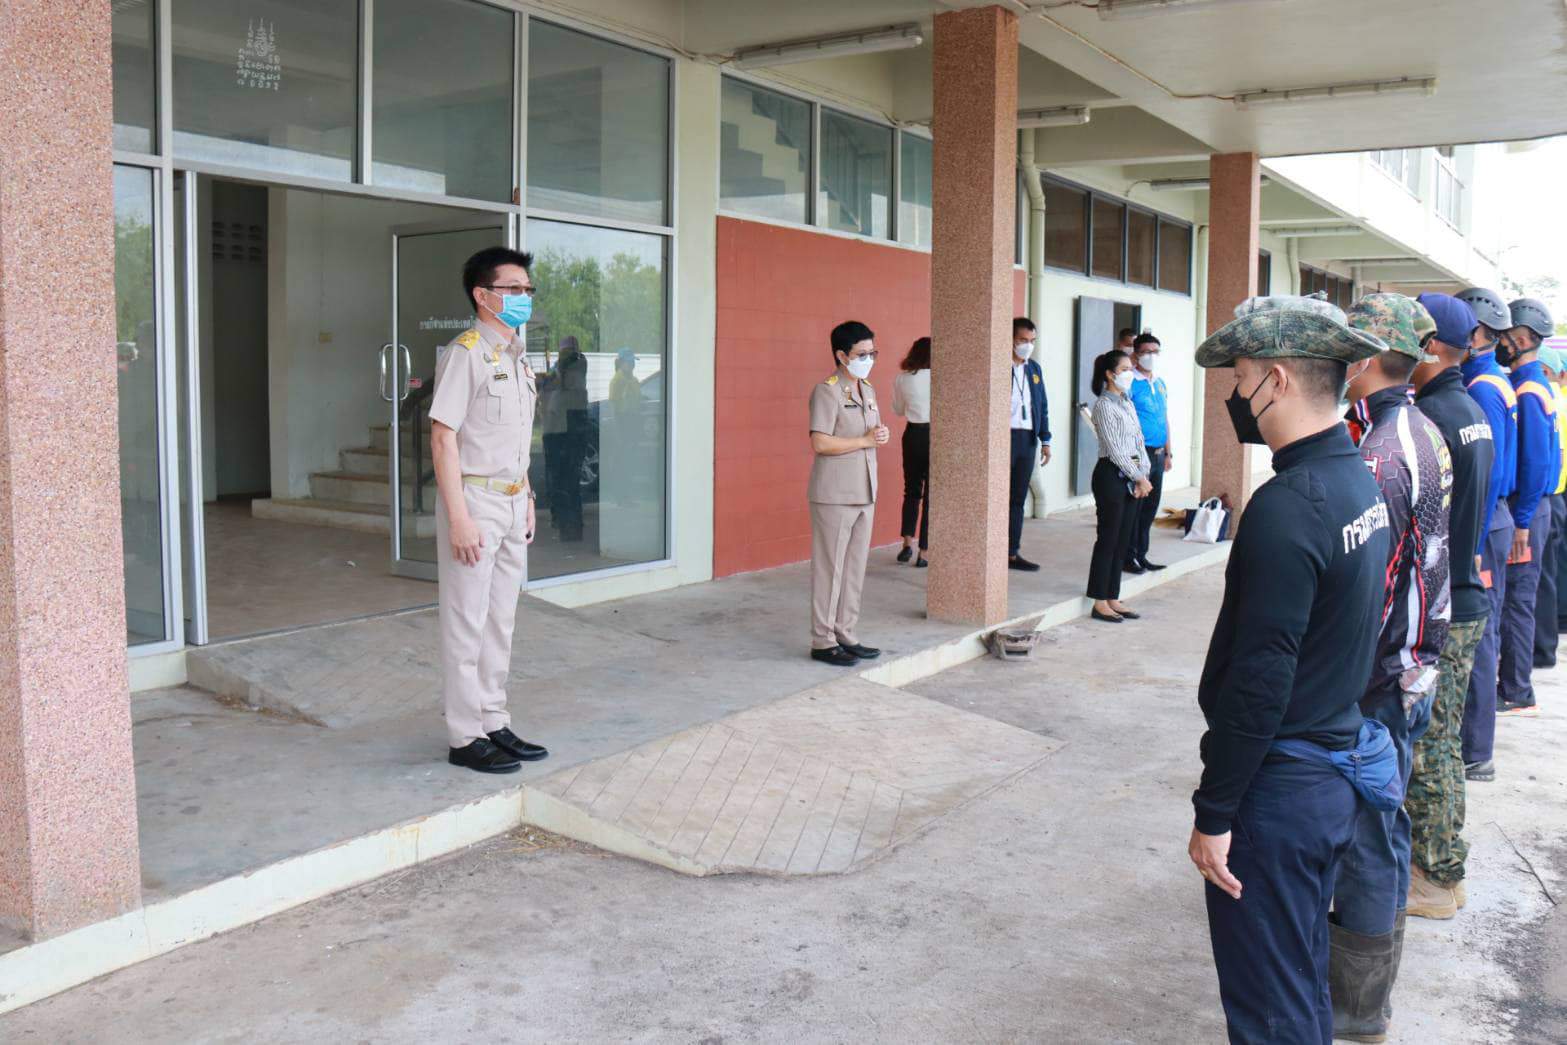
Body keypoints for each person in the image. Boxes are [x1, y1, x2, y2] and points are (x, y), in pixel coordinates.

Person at [1188, 295, 1390, 1044]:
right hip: (1328, 772)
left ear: (1275, 380)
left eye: (1240, 377)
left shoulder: (1289, 504)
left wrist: (1214, 811)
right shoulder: (1355, 479)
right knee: (1297, 982)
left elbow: (1260, 677)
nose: (1235, 395)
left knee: (1270, 1010)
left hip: (1281, 788)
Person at [1330, 294, 1452, 1040]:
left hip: (1381, 677)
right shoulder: (1419, 428)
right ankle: (1362, 995)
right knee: (1385, 826)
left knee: (1371, 839)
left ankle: (1357, 1006)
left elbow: (1369, 590)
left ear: (1369, 358)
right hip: (1411, 666)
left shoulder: (1380, 454)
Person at [429, 247, 550, 774]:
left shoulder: (517, 357)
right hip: (474, 501)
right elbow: (443, 438)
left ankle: (493, 720)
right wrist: (459, 518)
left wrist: (528, 497)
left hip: (511, 500)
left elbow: (516, 442)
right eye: (513, 289)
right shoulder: (467, 353)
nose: (524, 297)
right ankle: (464, 735)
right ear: (483, 295)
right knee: (466, 622)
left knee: (501, 619)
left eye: (527, 289)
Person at [1404, 293, 1495, 921]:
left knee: (1430, 746)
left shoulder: (1432, 417)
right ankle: (1448, 868)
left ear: (1432, 347)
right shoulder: (1471, 411)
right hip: (1465, 593)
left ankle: (1433, 880)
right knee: (1446, 739)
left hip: (1443, 604)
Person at [1455, 286, 1518, 783]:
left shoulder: (1482, 387)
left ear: (1476, 333)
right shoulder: (1490, 379)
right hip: (1491, 519)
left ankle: (1476, 750)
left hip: (1485, 522)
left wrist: (1472, 545)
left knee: (1479, 635)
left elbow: (1490, 472)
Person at [808, 320, 888, 667]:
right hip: (835, 494)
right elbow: (820, 442)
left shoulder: (867, 389)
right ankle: (822, 640)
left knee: (855, 568)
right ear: (842, 356)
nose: (869, 359)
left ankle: (846, 632)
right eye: (861, 354)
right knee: (831, 569)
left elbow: (868, 435)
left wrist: (878, 436)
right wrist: (864, 440)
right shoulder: (827, 391)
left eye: (872, 353)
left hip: (864, 490)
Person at [1496, 297, 1559, 715]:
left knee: (1517, 600)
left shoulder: (1529, 389)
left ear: (1520, 340)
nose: (1498, 344)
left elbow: (1536, 463)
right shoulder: (1534, 383)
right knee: (1518, 598)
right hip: (1532, 508)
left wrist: (1520, 522)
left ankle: (1517, 690)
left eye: (1503, 337)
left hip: (1527, 510)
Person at [1085, 351, 1151, 623]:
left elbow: (1138, 442)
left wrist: (1143, 473)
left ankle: (1113, 596)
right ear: (1110, 374)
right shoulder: (1104, 406)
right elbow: (1114, 449)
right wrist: (1138, 477)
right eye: (1124, 369)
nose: (1129, 373)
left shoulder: (1127, 402)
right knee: (1108, 538)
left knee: (1123, 539)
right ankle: (1099, 600)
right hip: (1111, 476)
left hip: (1133, 476)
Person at [1125, 332, 1173, 575]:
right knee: (1134, 508)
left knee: (1150, 508)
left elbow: (1164, 418)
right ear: (1136, 355)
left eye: (1155, 352)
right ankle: (1128, 556)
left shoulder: (1160, 383)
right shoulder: (1130, 383)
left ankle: (1141, 555)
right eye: (1146, 352)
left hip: (1158, 453)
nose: (1151, 356)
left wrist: (1168, 453)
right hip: (1139, 452)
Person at [1008, 318, 1052, 572]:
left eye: (1032, 341)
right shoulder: (999, 365)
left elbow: (1041, 404)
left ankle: (1012, 552)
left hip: (1027, 439)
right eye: (1022, 340)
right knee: (998, 496)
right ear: (1011, 339)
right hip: (1004, 437)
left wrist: (1045, 439)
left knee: (1018, 497)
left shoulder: (1034, 369)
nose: (1028, 345)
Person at [1534, 342, 1567, 669]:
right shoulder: (1556, 401)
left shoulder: (1544, 400)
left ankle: (1542, 649)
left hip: (1546, 495)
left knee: (1541, 578)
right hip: (1555, 496)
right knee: (1549, 575)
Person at [540, 335, 589, 542]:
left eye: (566, 352)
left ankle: (570, 527)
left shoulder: (575, 365)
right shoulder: (561, 370)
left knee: (567, 482)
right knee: (559, 481)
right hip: (555, 430)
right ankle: (563, 523)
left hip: (566, 432)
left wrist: (550, 377)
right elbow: (548, 383)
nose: (563, 356)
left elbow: (559, 381)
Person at [892, 336, 931, 568]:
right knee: (931, 496)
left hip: (912, 434)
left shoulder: (902, 379)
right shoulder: (941, 378)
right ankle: (923, 552)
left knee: (911, 490)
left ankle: (907, 544)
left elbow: (898, 410)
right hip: (935, 434)